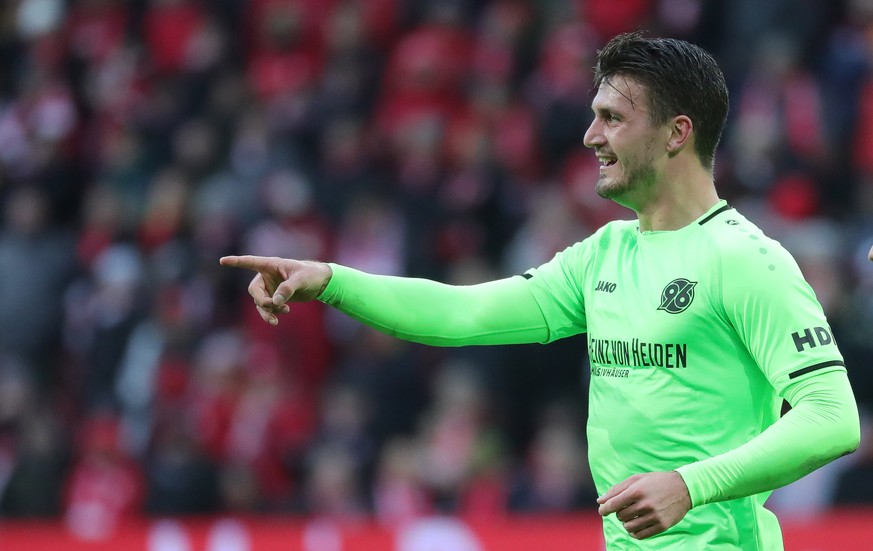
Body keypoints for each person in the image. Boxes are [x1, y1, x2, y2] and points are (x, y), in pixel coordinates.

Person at [220, 32, 860, 549]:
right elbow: (465, 312)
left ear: (676, 133)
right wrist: (333, 282)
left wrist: (691, 486)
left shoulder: (747, 261)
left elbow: (832, 418)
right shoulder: (604, 255)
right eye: (593, 117)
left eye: (612, 118)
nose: (590, 136)